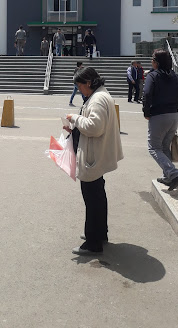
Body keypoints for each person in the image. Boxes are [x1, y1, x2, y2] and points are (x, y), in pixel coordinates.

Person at [64, 67, 123, 255]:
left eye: (80, 85)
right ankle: (99, 233)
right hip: (97, 152)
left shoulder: (97, 99)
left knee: (92, 198)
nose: (79, 89)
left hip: (93, 156)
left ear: (88, 83)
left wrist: (75, 117)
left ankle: (93, 242)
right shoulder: (100, 95)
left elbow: (94, 127)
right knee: (98, 196)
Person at [143, 50, 178, 190]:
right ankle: (167, 177)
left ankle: (173, 172)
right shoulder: (176, 77)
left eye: (152, 59)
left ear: (156, 63)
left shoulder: (153, 76)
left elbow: (146, 93)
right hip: (173, 116)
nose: (151, 62)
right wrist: (177, 107)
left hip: (158, 116)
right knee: (164, 147)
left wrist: (146, 111)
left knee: (154, 148)